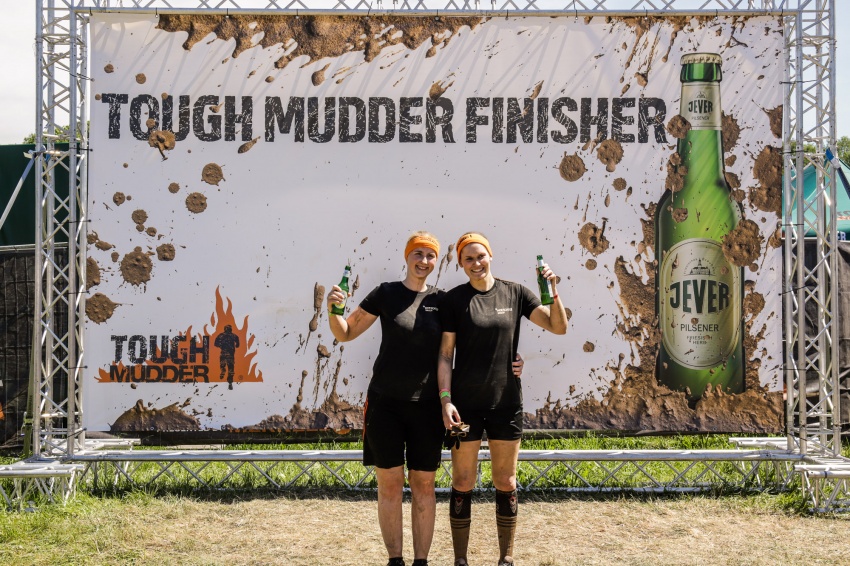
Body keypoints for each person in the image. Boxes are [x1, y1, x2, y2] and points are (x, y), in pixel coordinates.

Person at [327, 231, 525, 566]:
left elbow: (474, 342)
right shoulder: (385, 293)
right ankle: (395, 560)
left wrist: (513, 362)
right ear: (407, 257)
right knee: (390, 486)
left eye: (430, 255)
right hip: (385, 405)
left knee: (423, 486)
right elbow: (344, 332)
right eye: (417, 254)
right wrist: (334, 309)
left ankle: (421, 561)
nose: (424, 261)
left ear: (437, 261)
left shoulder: (442, 301)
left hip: (427, 408)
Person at [438, 232, 568, 566]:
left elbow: (558, 327)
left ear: (491, 255)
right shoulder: (454, 300)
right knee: (462, 481)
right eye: (468, 259)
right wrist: (446, 400)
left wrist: (553, 291)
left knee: (506, 481)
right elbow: (446, 355)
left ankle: (506, 558)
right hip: (465, 406)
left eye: (480, 256)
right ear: (460, 263)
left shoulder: (516, 293)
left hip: (506, 403)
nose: (476, 263)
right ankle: (460, 560)